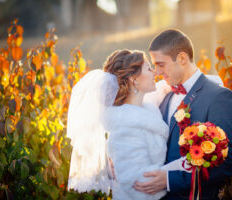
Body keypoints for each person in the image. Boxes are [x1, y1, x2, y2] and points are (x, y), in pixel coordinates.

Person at [66, 49, 191, 200]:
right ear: (134, 79)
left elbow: (160, 90)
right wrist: (185, 164)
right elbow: (139, 185)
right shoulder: (125, 127)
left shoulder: (145, 107)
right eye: (149, 69)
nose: (155, 73)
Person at [134, 29, 232, 200]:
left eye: (161, 64)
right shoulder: (162, 96)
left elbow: (227, 164)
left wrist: (169, 180)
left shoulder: (219, 97)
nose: (157, 72)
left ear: (182, 58)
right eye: (154, 65)